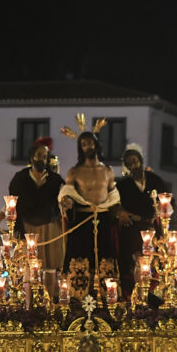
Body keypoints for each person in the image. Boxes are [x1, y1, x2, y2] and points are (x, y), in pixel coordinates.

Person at [0, 136, 65, 283]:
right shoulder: (20, 178)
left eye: (44, 156)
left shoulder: (56, 180)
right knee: (27, 268)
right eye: (38, 155)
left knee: (49, 268)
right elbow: (11, 202)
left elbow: (63, 200)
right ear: (32, 156)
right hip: (26, 227)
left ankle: (48, 302)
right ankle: (29, 304)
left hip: (50, 227)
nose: (41, 158)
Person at [57, 124, 121, 290]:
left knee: (104, 259)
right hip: (82, 219)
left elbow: (113, 196)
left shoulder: (107, 170)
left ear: (96, 144)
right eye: (84, 144)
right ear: (80, 148)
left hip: (103, 218)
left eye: (90, 143)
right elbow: (68, 193)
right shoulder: (75, 171)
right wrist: (68, 202)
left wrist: (118, 210)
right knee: (79, 259)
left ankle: (108, 295)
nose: (88, 146)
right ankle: (78, 296)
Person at [115, 144, 166, 295]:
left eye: (135, 161)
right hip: (132, 228)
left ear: (141, 161)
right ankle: (138, 293)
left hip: (152, 226)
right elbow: (114, 204)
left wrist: (161, 208)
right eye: (129, 163)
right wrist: (120, 212)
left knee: (154, 261)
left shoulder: (155, 180)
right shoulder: (123, 185)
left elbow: (167, 200)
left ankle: (151, 293)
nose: (133, 165)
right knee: (138, 261)